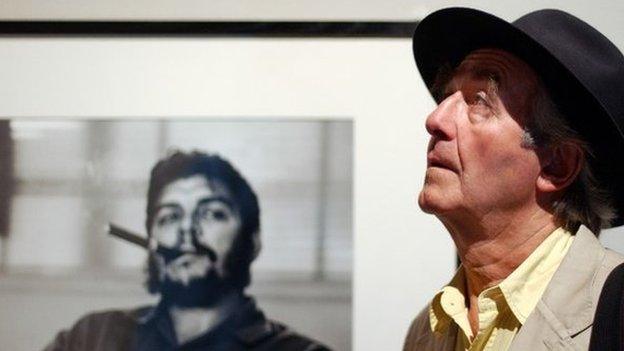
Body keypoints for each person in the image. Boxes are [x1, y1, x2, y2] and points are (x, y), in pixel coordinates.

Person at [403, 8, 624, 351]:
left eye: (479, 101)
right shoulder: (426, 332)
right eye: (448, 96)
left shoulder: (614, 317)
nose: (436, 119)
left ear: (557, 166)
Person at [44, 151, 331, 351]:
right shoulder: (90, 338)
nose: (186, 230)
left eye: (211, 214)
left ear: (252, 242)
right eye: (170, 217)